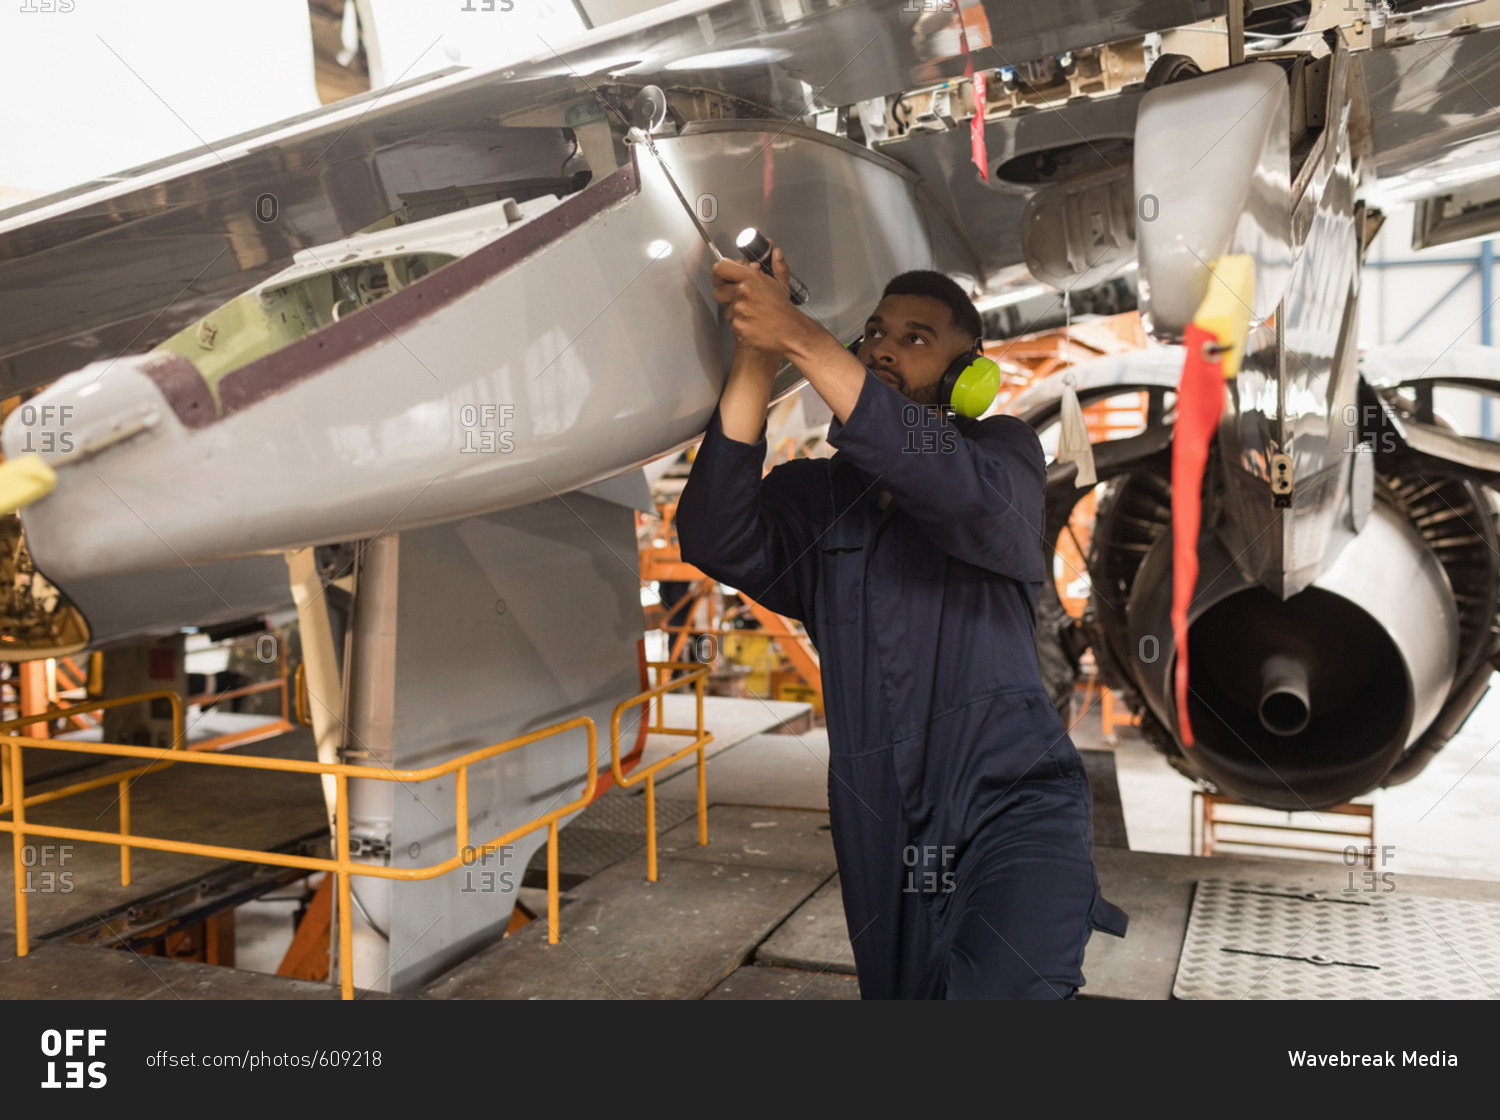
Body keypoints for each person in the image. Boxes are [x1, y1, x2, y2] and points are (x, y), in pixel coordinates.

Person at [675, 244, 1126, 999]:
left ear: (968, 373)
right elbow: (715, 533)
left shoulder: (1001, 455)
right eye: (876, 331)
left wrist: (800, 337)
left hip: (1014, 806)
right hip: (882, 829)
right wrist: (756, 355)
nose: (884, 344)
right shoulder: (819, 497)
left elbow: (947, 486)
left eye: (916, 338)